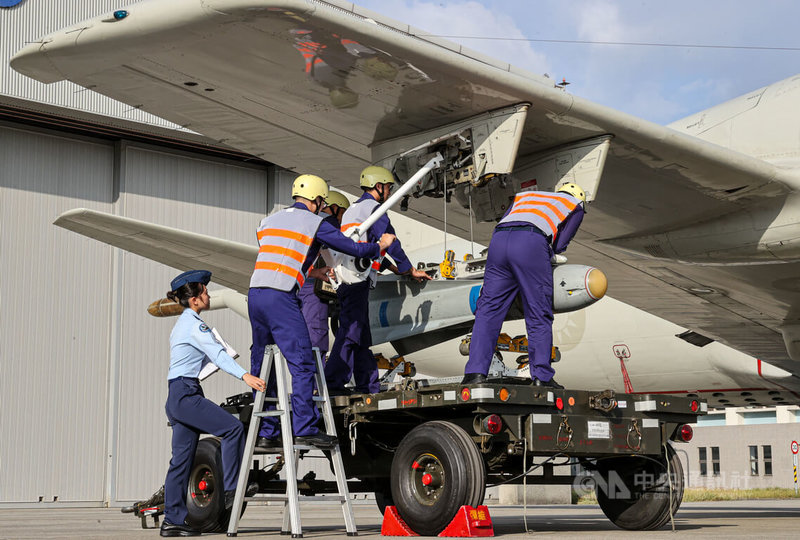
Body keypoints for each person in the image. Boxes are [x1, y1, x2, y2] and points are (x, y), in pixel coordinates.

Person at [249, 174, 395, 450]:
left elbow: (282, 256)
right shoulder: (316, 222)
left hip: (256, 294)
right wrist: (380, 246)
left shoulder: (268, 222)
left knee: (262, 364)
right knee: (303, 362)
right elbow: (349, 247)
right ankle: (304, 428)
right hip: (281, 297)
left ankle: (266, 432)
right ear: (317, 200)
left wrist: (314, 271)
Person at [161, 270, 266, 538]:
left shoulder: (182, 325)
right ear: (195, 299)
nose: (208, 295)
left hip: (177, 394)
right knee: (232, 429)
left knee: (181, 461)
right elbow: (217, 353)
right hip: (186, 394)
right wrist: (245, 375)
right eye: (205, 292)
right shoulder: (195, 325)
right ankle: (232, 490)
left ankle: (172, 520)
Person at [462, 183, 587, 389]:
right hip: (530, 242)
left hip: (498, 241)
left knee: (488, 310)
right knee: (538, 312)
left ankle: (475, 373)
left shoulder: (528, 196)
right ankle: (542, 376)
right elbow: (561, 242)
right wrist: (546, 253)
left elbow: (507, 219)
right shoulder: (575, 204)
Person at [325, 166, 431, 395]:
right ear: (379, 187)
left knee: (361, 335)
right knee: (351, 334)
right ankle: (332, 383)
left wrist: (395, 268)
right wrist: (408, 269)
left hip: (347, 279)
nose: (389, 192)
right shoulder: (373, 209)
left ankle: (368, 385)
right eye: (389, 187)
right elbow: (390, 240)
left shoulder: (355, 209)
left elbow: (370, 250)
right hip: (356, 282)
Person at [296, 190, 350, 364]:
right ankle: (314, 386)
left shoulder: (304, 223)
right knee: (315, 334)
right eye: (343, 213)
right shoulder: (329, 223)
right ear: (335, 208)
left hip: (294, 283)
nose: (343, 219)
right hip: (312, 286)